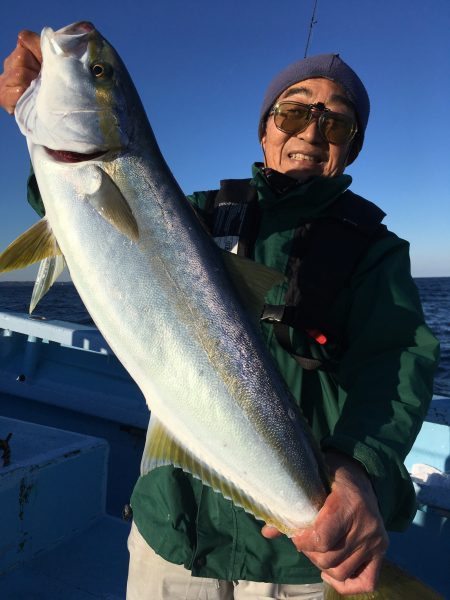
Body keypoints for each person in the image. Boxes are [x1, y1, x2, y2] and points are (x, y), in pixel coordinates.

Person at [0, 31, 439, 600]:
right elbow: (95, 223)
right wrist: (31, 118)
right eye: (294, 111)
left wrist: (359, 465)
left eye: (336, 124)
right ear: (265, 129)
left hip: (294, 553)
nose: (310, 131)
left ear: (350, 148)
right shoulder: (197, 215)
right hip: (174, 529)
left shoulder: (376, 251)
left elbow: (398, 362)